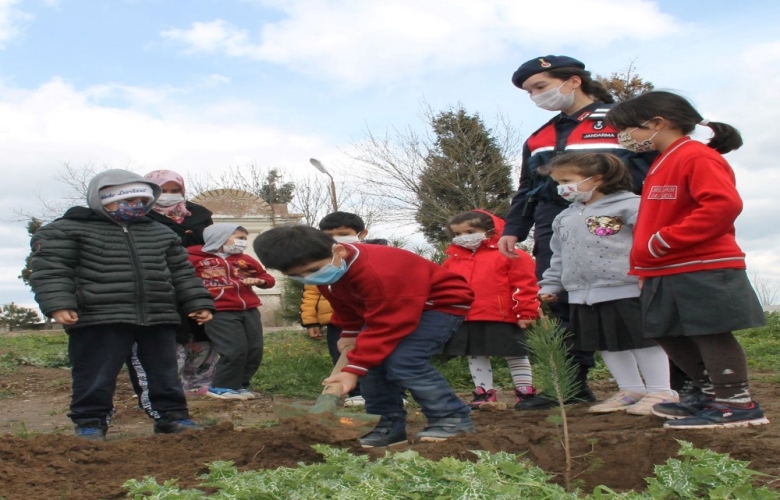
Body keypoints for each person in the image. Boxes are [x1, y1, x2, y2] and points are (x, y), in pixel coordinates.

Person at [497, 55, 657, 410]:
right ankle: (572, 386)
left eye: (540, 87)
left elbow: (655, 171)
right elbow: (527, 187)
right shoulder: (539, 136)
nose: (535, 96)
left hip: (620, 224)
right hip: (557, 225)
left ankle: (672, 384)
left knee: (639, 304)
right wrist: (513, 228)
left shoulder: (620, 121)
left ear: (573, 81)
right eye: (529, 92)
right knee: (568, 306)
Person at [604, 90, 768, 429]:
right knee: (667, 331)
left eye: (625, 129)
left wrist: (665, 240)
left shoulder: (695, 156)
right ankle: (708, 393)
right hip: (662, 267)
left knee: (709, 332)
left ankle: (735, 402)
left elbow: (722, 205)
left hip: (700, 264)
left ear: (656, 123)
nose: (622, 137)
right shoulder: (663, 160)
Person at [29, 170, 214, 440]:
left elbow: (182, 272)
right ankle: (90, 422)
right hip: (99, 316)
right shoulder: (67, 230)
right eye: (127, 200)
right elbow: (51, 271)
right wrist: (58, 304)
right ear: (101, 199)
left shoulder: (160, 232)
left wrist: (197, 301)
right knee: (95, 373)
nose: (135, 206)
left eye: (142, 199)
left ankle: (172, 417)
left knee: (163, 373)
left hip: (157, 315)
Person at [253, 225, 476, 447]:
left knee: (404, 361)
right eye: (296, 275)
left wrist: (353, 370)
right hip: (390, 308)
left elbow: (390, 324)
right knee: (371, 363)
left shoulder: (377, 271)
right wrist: (349, 333)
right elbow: (346, 303)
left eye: (312, 270)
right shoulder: (330, 271)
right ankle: (385, 423)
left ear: (339, 251)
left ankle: (452, 418)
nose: (307, 278)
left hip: (437, 304)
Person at [537, 153, 678, 415]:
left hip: (627, 288)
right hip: (583, 295)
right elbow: (559, 256)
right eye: (558, 182)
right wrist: (550, 285)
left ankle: (661, 391)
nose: (562, 187)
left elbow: (649, 243)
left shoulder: (632, 206)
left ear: (597, 178)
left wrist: (651, 275)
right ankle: (630, 389)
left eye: (567, 180)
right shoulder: (564, 218)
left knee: (643, 341)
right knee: (606, 343)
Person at [125, 170, 217, 401]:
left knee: (203, 332)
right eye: (162, 191)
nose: (168, 196)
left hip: (200, 281)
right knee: (170, 336)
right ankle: (168, 389)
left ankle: (200, 385)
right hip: (161, 282)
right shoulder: (138, 217)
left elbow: (213, 245)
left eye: (174, 191)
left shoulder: (200, 216)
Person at [440, 210, 541, 410]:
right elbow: (447, 288)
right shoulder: (453, 260)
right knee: (475, 354)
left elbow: (525, 285)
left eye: (471, 231)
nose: (464, 237)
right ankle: (484, 392)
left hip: (503, 315)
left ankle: (525, 391)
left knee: (515, 353)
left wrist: (526, 312)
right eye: (458, 234)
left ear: (491, 230)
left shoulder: (511, 254)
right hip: (467, 317)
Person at [188, 224, 276, 400]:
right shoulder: (193, 258)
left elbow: (268, 278)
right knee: (234, 349)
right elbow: (185, 280)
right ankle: (221, 386)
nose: (242, 242)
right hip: (220, 310)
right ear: (219, 237)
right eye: (239, 237)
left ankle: (240, 385)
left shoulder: (244, 259)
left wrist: (258, 281)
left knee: (254, 350)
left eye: (244, 239)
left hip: (249, 309)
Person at [300, 211, 371, 407]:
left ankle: (387, 392)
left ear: (361, 233)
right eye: (328, 235)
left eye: (343, 233)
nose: (336, 239)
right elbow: (311, 293)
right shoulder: (320, 263)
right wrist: (311, 320)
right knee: (341, 354)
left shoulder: (369, 258)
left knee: (378, 354)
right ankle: (353, 392)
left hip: (371, 318)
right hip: (336, 319)